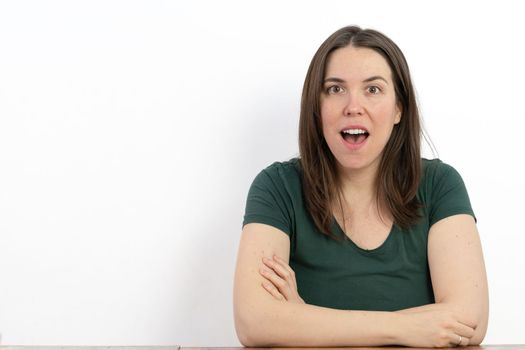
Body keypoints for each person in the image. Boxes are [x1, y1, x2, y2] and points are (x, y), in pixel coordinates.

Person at [233, 25, 488, 347]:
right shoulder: (277, 187)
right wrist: (406, 328)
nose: (353, 106)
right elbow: (254, 322)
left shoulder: (440, 185)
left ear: (399, 109)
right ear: (316, 107)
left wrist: (304, 319)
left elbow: (469, 320)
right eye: (335, 89)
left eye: (373, 89)